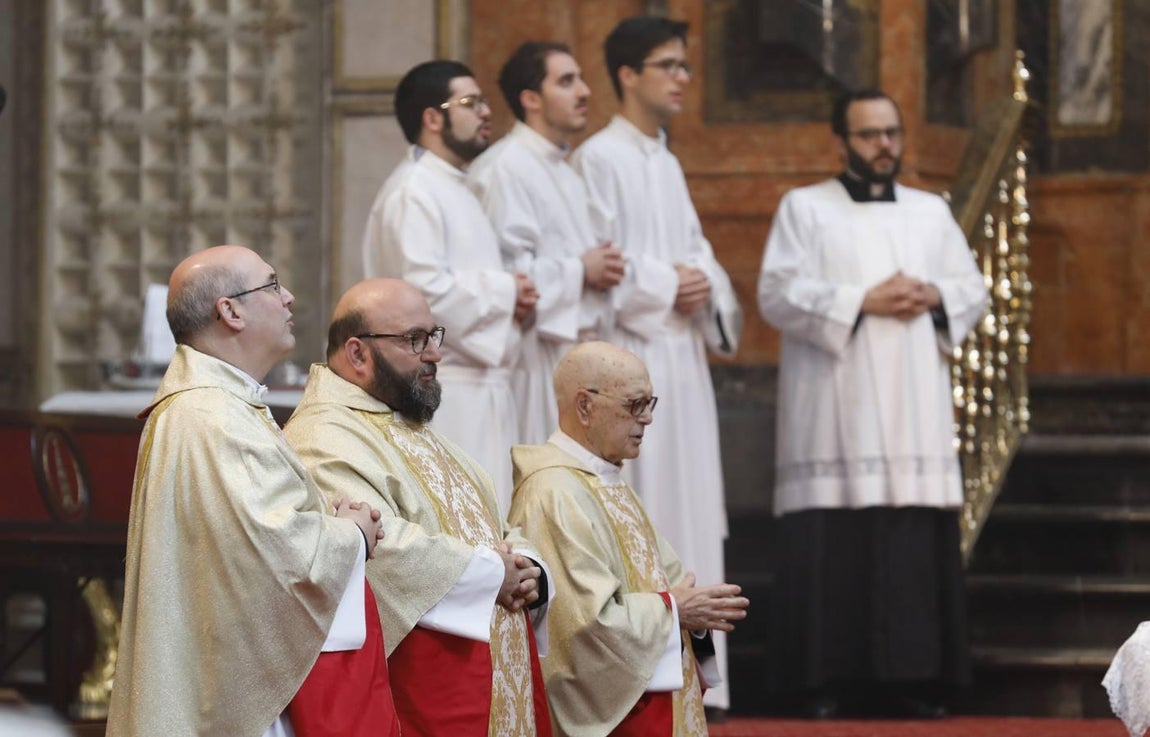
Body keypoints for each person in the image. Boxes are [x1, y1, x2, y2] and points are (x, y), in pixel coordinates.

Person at [757, 89, 988, 718]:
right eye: (868, 135)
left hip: (914, 406)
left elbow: (971, 288)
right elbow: (777, 294)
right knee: (836, 542)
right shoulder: (805, 208)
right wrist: (862, 300)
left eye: (892, 133)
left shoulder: (930, 212)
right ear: (840, 142)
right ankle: (822, 683)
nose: (884, 145)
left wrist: (933, 294)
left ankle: (916, 681)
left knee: (910, 544)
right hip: (838, 408)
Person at [106, 245, 398, 737]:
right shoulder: (213, 417)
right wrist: (352, 534)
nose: (289, 297)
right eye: (271, 285)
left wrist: (327, 519)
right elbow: (276, 550)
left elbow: (248, 531)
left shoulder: (218, 408)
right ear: (230, 311)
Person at [284, 278, 554, 737]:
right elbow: (374, 548)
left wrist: (529, 569)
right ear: (357, 353)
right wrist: (493, 574)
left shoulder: (412, 428)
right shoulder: (321, 436)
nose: (434, 353)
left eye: (433, 336)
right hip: (423, 693)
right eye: (415, 339)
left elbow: (495, 526)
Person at [570, 15, 743, 710]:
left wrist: (700, 285)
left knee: (690, 503)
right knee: (648, 504)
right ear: (627, 75)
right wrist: (672, 283)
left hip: (683, 361)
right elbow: (600, 259)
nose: (680, 79)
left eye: (684, 66)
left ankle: (698, 675)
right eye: (666, 65)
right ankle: (648, 667)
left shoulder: (665, 160)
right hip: (632, 360)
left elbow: (702, 256)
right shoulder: (600, 158)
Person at [509, 341, 749, 736]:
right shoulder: (554, 492)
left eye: (649, 403)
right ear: (584, 406)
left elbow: (669, 586)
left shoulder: (605, 480)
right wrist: (674, 611)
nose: (647, 420)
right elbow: (582, 629)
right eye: (634, 405)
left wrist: (689, 608)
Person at [361, 60, 537, 510]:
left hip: (482, 387)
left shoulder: (457, 187)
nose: (485, 112)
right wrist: (506, 292)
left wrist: (510, 295)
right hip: (445, 392)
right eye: (470, 102)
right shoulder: (413, 191)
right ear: (432, 118)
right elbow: (422, 297)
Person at [468, 41, 625, 445]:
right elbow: (506, 275)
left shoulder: (565, 170)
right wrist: (581, 270)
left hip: (574, 357)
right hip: (534, 361)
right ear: (531, 99)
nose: (585, 91)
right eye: (567, 81)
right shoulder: (507, 167)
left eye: (581, 79)